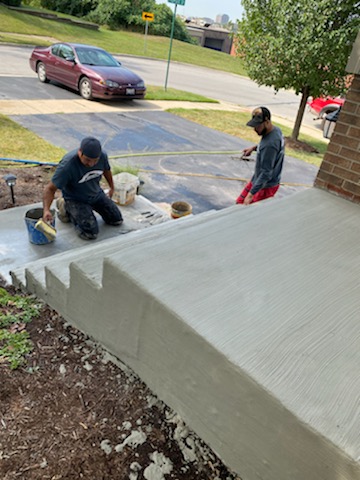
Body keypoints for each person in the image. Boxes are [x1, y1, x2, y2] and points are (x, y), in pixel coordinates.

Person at [42, 137, 123, 240]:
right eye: (88, 160)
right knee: (90, 233)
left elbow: (107, 170)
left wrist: (112, 187)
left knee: (116, 220)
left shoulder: (102, 156)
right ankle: (65, 207)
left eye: (95, 161)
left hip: (96, 194)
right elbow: (50, 189)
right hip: (76, 199)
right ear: (80, 152)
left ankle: (85, 210)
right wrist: (46, 210)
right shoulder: (68, 165)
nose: (91, 164)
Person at [236, 106, 285, 205]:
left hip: (265, 186)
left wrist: (251, 195)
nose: (255, 129)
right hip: (257, 180)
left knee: (246, 213)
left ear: (267, 122)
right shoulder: (276, 131)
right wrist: (254, 148)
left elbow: (266, 173)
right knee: (239, 204)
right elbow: (267, 145)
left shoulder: (270, 145)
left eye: (258, 126)